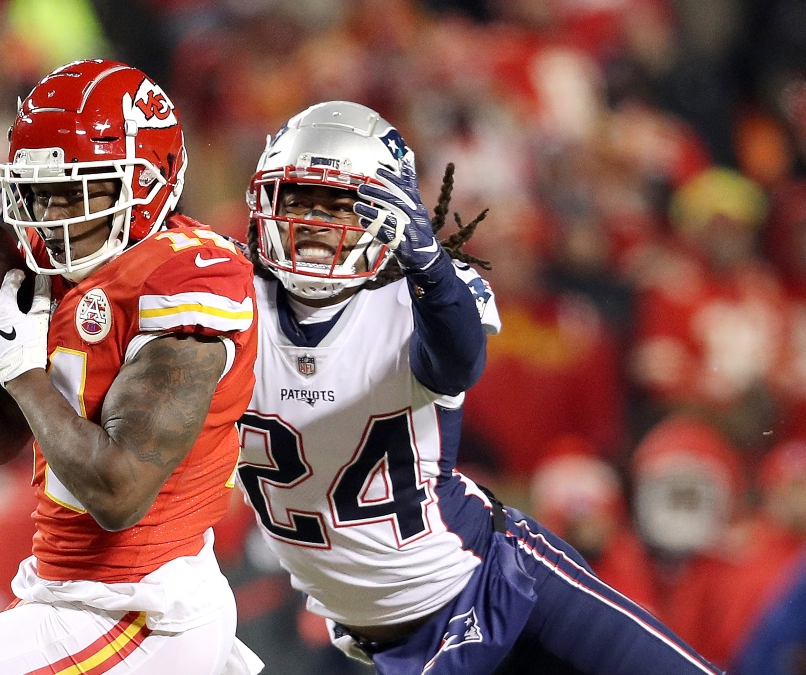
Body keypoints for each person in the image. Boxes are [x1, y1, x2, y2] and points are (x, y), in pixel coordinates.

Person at [237, 100, 721, 675]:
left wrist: (429, 268)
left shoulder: (416, 298)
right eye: (296, 199)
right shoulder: (224, 308)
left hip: (498, 573)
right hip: (401, 642)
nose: (313, 220)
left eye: (336, 203)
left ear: (388, 213)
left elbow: (458, 362)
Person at [0, 60, 263, 675]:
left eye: (78, 190)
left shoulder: (183, 280)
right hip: (77, 601)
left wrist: (21, 371)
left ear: (149, 181)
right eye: (38, 192)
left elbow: (120, 492)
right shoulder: (66, 275)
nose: (53, 214)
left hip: (140, 611)